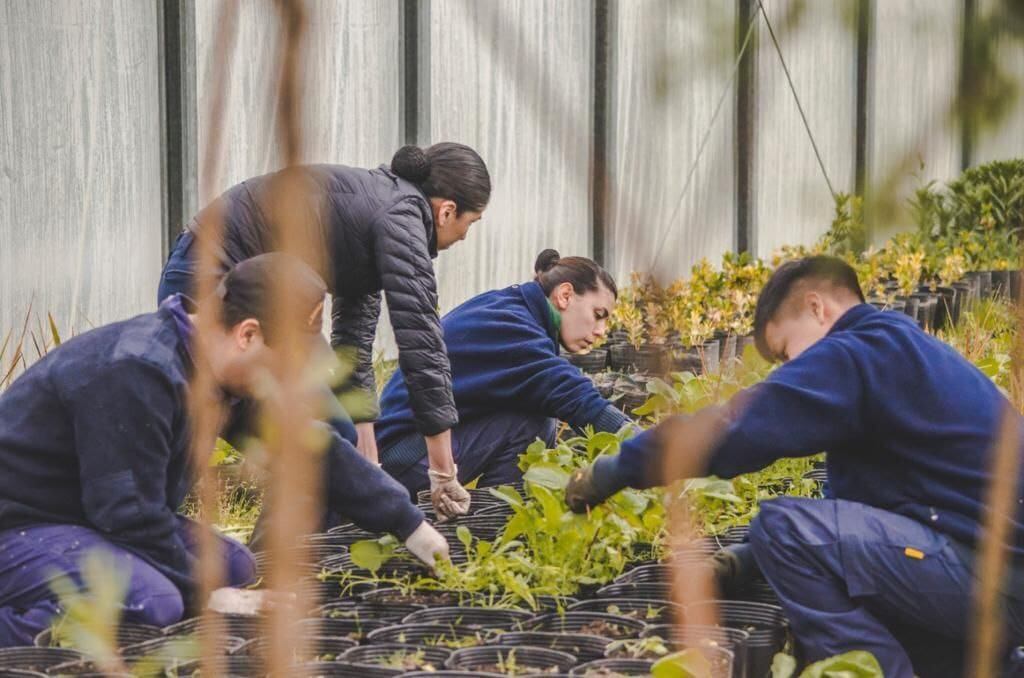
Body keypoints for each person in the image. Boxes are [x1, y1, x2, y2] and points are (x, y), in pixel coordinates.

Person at [564, 255, 1024, 677]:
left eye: (785, 352)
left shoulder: (855, 353)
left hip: (988, 577)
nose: (788, 368)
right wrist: (742, 561)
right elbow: (859, 515)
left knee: (782, 527)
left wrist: (616, 469)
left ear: (816, 307)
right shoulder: (899, 350)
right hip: (991, 574)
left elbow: (734, 428)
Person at [0, 254, 447, 647]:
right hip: (23, 523)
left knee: (234, 566)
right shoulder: (137, 372)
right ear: (248, 335)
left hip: (86, 518)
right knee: (154, 600)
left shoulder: (220, 378)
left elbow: (305, 448)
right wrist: (205, 597)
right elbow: (127, 512)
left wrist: (410, 525)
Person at [158, 144, 492, 519]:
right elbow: (422, 344)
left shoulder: (379, 209)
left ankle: (273, 555)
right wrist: (443, 471)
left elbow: (354, 346)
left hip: (212, 274)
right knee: (314, 436)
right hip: (213, 281)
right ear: (447, 211)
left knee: (329, 435)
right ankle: (274, 559)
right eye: (471, 223)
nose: (464, 237)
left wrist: (370, 461)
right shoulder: (402, 219)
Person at [376, 249, 633, 495]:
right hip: (401, 458)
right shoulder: (512, 326)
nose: (601, 330)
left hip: (406, 450)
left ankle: (485, 519)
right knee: (532, 423)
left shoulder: (513, 308)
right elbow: (572, 394)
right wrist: (647, 447)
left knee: (532, 412)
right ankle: (493, 527)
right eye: (598, 315)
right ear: (565, 295)